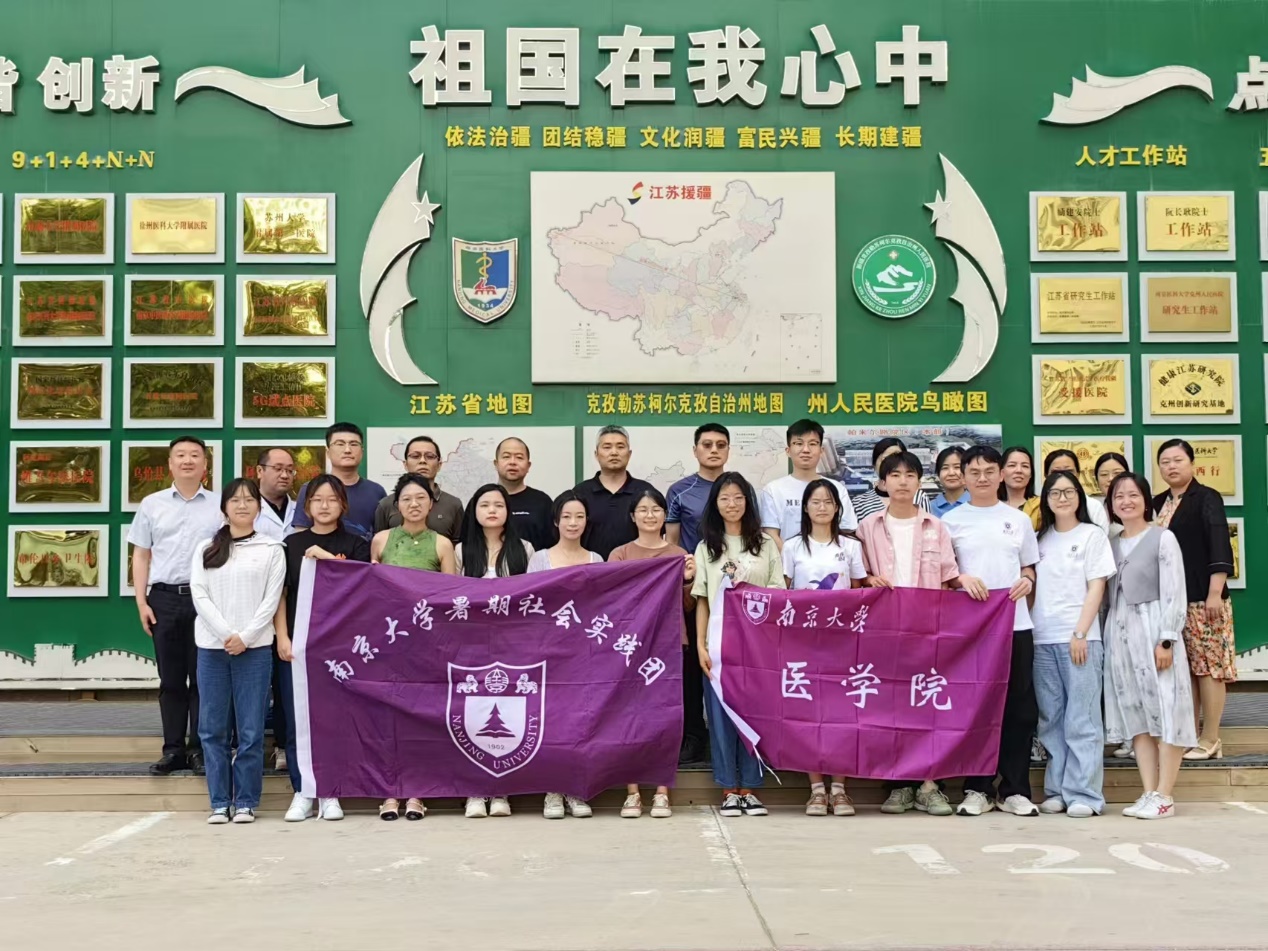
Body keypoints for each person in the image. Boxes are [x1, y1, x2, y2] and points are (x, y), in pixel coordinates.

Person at [943, 445, 1041, 817]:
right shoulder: (951, 521)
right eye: (974, 472)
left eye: (989, 471)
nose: (982, 478)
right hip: (973, 631)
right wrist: (961, 579)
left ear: (1001, 475)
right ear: (963, 477)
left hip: (1016, 626)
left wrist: (1028, 581)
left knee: (1019, 709)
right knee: (976, 708)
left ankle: (1014, 789)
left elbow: (1029, 567)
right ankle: (977, 788)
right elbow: (944, 574)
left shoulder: (1018, 519)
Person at [274, 474, 370, 822]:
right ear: (307, 506)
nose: (324, 505)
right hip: (298, 646)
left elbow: (361, 587)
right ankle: (303, 791)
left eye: (332, 499)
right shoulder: (291, 544)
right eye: (317, 499)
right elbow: (280, 595)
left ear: (343, 505)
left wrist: (328, 559)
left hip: (339, 647)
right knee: (297, 720)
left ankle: (331, 791)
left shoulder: (356, 543)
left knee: (334, 720)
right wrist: (282, 637)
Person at [190, 479, 286, 824]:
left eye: (249, 500)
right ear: (224, 508)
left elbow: (271, 599)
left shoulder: (272, 549)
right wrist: (225, 633)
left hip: (254, 648)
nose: (242, 505)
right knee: (212, 729)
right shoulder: (206, 548)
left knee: (250, 730)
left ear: (259, 507)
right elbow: (199, 594)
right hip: (212, 649)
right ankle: (219, 801)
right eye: (235, 500)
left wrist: (245, 636)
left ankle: (245, 801)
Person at [128, 436, 225, 776]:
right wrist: (141, 602)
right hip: (164, 599)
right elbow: (141, 555)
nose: (187, 460)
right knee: (170, 680)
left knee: (202, 679)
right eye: (180, 455)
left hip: (205, 599)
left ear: (205, 464)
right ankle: (172, 750)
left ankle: (199, 749)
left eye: (195, 455)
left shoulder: (219, 505)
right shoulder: (151, 504)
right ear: (170, 464)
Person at [1105, 472, 1197, 819]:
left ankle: (1165, 794)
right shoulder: (1111, 543)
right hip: (1121, 633)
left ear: (1146, 500)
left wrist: (1167, 638)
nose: (1126, 501)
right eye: (1118, 496)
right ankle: (1148, 791)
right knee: (1136, 713)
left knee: (1167, 709)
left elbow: (1174, 591)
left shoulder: (1162, 538)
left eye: (1133, 495)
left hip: (1155, 630)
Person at [693, 472, 786, 818]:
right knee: (720, 719)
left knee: (755, 716)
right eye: (724, 498)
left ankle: (751, 787)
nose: (731, 504)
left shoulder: (765, 545)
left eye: (738, 497)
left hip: (758, 648)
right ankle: (728, 789)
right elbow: (702, 599)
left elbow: (779, 593)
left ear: (748, 502)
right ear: (715, 505)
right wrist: (701, 645)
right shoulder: (706, 547)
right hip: (719, 648)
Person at [1030, 470, 1117, 818]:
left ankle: (1085, 794)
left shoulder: (1092, 536)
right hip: (1042, 638)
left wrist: (1081, 632)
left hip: (1080, 638)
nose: (1062, 498)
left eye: (1068, 491)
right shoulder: (1039, 539)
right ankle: (1057, 791)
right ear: (1046, 500)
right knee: (1051, 720)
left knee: (1082, 718)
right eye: (1054, 492)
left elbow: (1097, 586)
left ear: (1080, 496)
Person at [370, 473, 456, 820]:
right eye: (406, 498)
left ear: (431, 504)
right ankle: (389, 793)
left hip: (427, 645)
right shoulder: (380, 541)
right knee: (389, 720)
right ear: (396, 505)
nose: (414, 504)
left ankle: (417, 793)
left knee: (421, 719)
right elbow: (371, 593)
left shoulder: (443, 544)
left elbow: (452, 598)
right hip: (390, 642)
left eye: (420, 498)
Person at [609, 487, 696, 819]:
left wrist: (687, 581)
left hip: (669, 645)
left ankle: (662, 791)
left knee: (665, 716)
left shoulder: (678, 554)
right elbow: (612, 602)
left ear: (664, 516)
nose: (650, 515)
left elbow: (688, 606)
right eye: (643, 510)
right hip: (628, 647)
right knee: (629, 717)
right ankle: (632, 793)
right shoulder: (619, 554)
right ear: (633, 516)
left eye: (656, 509)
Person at [782, 479, 866, 817]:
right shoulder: (792, 547)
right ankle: (816, 789)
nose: (821, 507)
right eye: (815, 501)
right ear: (805, 507)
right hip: (803, 642)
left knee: (842, 713)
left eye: (828, 502)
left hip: (843, 641)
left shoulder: (851, 546)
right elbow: (783, 593)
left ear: (837, 508)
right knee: (808, 713)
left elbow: (858, 592)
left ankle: (840, 789)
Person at [451, 483, 533, 818]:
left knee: (508, 715)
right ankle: (474, 791)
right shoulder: (460, 551)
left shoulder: (524, 549)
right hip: (469, 644)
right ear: (474, 511)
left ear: (508, 512)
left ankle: (502, 791)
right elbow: (449, 597)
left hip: (512, 645)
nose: (492, 510)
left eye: (499, 505)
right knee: (472, 714)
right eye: (485, 505)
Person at [1153, 439, 1236, 761]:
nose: (1171, 466)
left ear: (1191, 463)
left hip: (1203, 599)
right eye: (1165, 462)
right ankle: (1189, 735)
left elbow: (1219, 544)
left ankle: (1211, 738)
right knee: (1185, 671)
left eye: (1178, 460)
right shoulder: (1157, 502)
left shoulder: (1206, 497)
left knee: (1209, 669)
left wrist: (1215, 593)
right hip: (1172, 603)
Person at [528, 490, 602, 818]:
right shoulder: (539, 559)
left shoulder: (596, 560)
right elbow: (530, 604)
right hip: (547, 651)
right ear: (556, 521)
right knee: (550, 721)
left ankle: (576, 790)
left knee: (580, 722)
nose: (573, 523)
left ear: (587, 522)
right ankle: (552, 791)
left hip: (583, 654)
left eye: (579, 517)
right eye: (567, 517)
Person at [665, 423, 730, 765]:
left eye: (720, 444)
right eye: (707, 444)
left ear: (728, 450)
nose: (714, 450)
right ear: (695, 450)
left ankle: (732, 738)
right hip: (695, 593)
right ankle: (693, 735)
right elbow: (672, 545)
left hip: (732, 592)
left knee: (731, 666)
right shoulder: (680, 491)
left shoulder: (739, 491)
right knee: (691, 667)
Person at [252, 447, 297, 773]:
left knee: (285, 682)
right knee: (252, 682)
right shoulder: (246, 507)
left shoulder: (300, 510)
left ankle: (282, 744)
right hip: (252, 605)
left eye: (290, 469)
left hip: (288, 606)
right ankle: (245, 746)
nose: (284, 474)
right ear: (260, 471)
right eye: (278, 468)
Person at [760, 419, 857, 550]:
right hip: (786, 561)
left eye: (812, 444)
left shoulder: (837, 489)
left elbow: (847, 532)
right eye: (798, 443)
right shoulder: (773, 490)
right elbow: (771, 534)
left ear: (821, 450)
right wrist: (792, 559)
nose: (805, 449)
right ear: (788, 450)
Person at [573, 425, 655, 560]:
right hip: (592, 568)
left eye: (620, 447)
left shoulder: (645, 492)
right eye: (607, 447)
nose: (614, 452)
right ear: (596, 454)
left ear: (629, 454)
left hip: (636, 569)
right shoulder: (580, 493)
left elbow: (656, 537)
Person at [292, 423, 386, 540]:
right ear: (328, 452)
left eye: (353, 444)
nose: (347, 450)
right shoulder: (310, 489)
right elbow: (301, 535)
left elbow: (383, 537)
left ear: (362, 451)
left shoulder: (376, 491)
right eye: (340, 444)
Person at [373, 435, 465, 543]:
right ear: (405, 464)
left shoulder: (453, 505)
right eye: (415, 456)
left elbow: (460, 546)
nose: (422, 461)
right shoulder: (386, 505)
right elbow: (379, 545)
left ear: (439, 465)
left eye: (430, 456)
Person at [494, 437, 555, 551]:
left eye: (519, 457)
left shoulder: (542, 502)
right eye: (506, 457)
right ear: (496, 464)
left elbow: (554, 547)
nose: (512, 462)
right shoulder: (482, 500)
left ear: (528, 466)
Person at [850, 437, 931, 520]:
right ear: (874, 464)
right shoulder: (859, 503)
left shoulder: (919, 497)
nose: (892, 465)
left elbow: (926, 525)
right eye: (885, 459)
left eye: (897, 458)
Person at [1032, 450, 1110, 534]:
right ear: (1046, 476)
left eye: (1069, 472)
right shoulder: (1035, 508)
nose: (1063, 477)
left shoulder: (1093, 506)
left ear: (1078, 474)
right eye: (1056, 473)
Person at [930, 445, 969, 518]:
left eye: (957, 467)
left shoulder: (978, 504)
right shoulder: (929, 508)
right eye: (945, 468)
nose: (951, 473)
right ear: (938, 474)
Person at [998, 445, 1036, 514]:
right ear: (1001, 472)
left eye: (1025, 466)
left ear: (1031, 474)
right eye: (1012, 465)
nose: (1019, 470)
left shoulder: (1039, 507)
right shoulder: (990, 507)